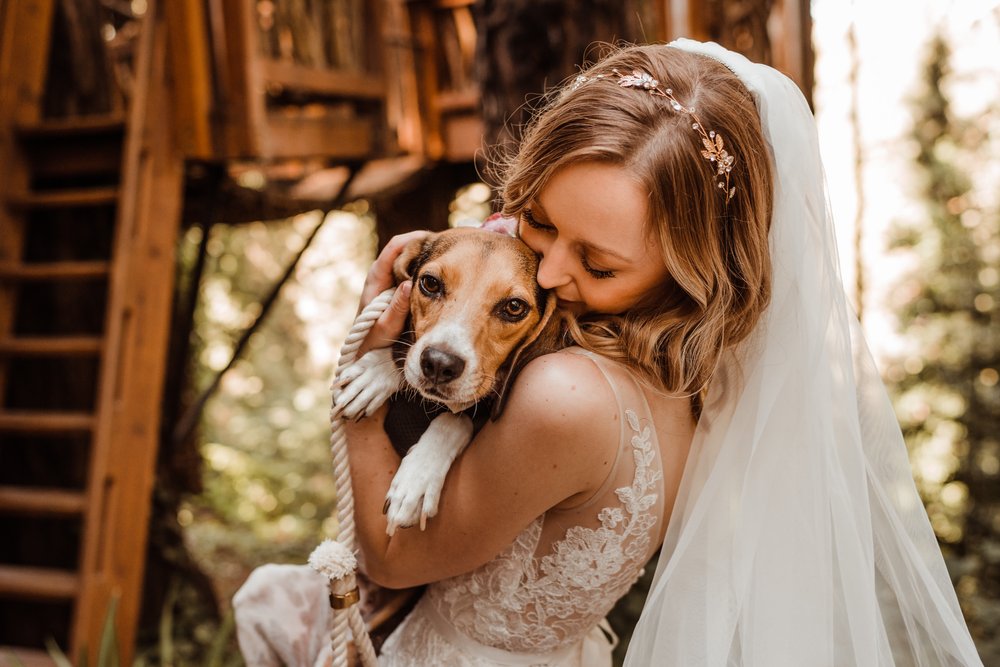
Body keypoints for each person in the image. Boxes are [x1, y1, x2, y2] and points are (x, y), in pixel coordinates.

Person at [235, 39, 984, 666]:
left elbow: (392, 556)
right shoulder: (690, 378)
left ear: (687, 273)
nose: (552, 273)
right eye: (536, 219)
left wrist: (360, 373)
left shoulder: (567, 393)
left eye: (598, 264)